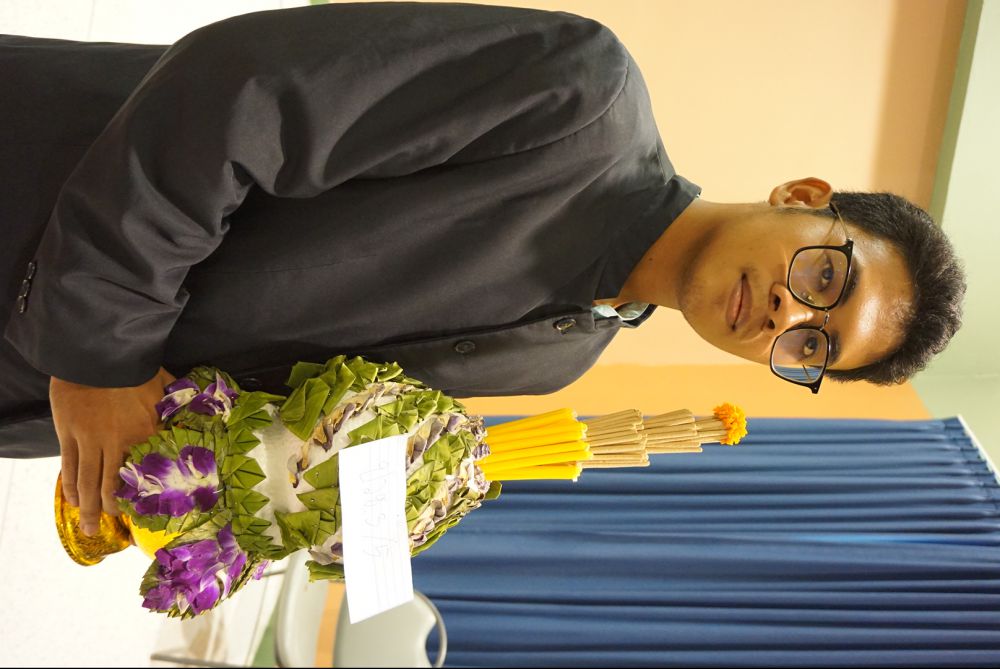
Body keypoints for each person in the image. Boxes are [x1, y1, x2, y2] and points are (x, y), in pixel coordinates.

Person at [0, 3, 964, 536]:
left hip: (31, 391)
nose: (789, 314)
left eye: (813, 347)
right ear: (802, 196)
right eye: (828, 279)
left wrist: (311, 516)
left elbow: (309, 412)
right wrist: (101, 350)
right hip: (36, 191)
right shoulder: (582, 93)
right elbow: (236, 91)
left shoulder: (557, 360)